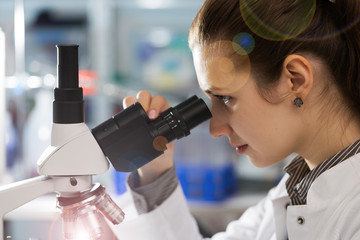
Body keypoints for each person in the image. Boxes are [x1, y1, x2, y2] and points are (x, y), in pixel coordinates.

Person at [112, 0, 360, 239]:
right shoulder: (295, 187)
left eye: (226, 98)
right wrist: (156, 172)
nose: (215, 129)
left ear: (296, 79)